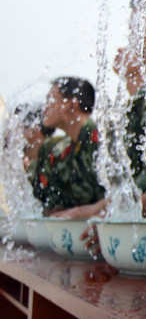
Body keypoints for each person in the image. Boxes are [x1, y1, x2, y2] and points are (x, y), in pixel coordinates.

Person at [33, 77, 104, 216]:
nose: (45, 107)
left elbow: (125, 193)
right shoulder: (60, 150)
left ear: (72, 104)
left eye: (51, 100)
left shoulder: (102, 139)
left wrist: (84, 212)